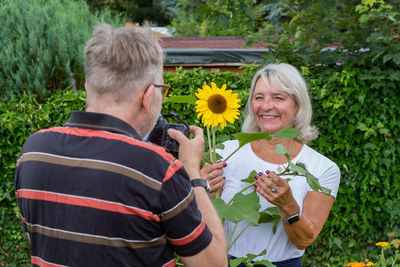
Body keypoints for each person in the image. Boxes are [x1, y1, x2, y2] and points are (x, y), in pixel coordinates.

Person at [14, 23, 227, 267]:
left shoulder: (33, 151)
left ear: (87, 86)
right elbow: (214, 263)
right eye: (161, 91)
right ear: (148, 97)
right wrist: (193, 174)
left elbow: (42, 240)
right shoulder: (159, 169)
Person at [203, 63, 340, 267]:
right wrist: (198, 188)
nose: (266, 106)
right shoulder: (225, 153)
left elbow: (304, 240)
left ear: (298, 106)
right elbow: (198, 220)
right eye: (259, 98)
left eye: (278, 97)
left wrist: (288, 206)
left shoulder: (321, 168)